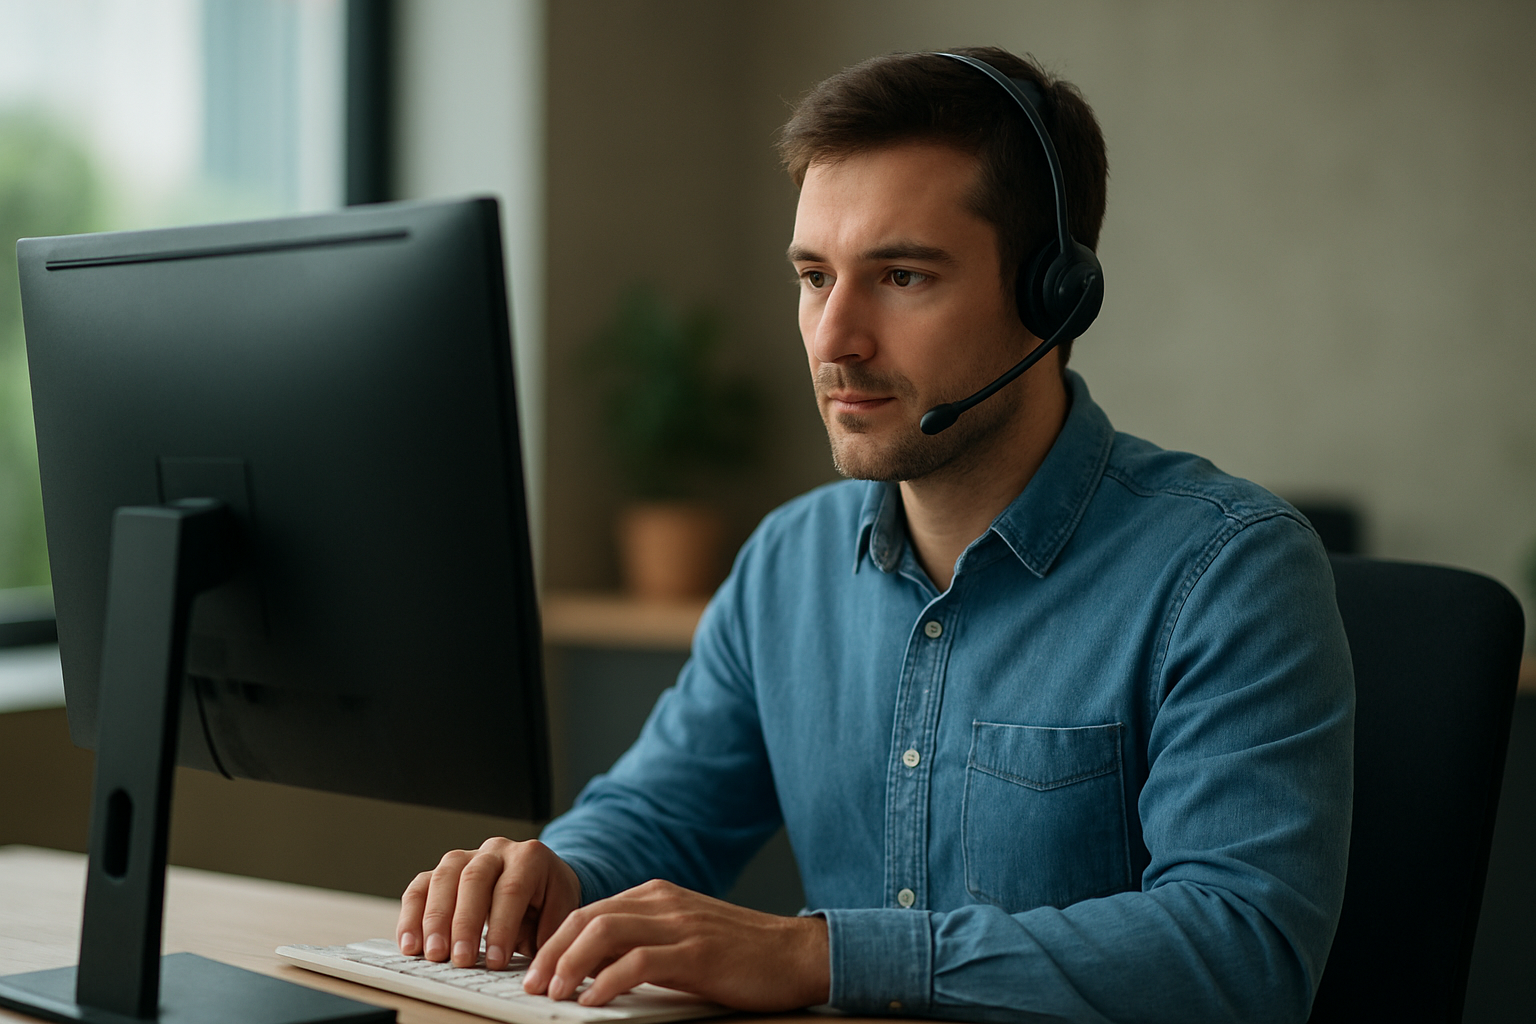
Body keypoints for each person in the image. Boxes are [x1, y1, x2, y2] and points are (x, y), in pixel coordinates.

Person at [395, 47, 1354, 1023]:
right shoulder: (788, 562)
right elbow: (660, 812)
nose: (833, 338)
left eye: (900, 275)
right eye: (815, 276)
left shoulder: (1229, 568)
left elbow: (1243, 951)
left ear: (1053, 296)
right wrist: (555, 873)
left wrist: (821, 956)